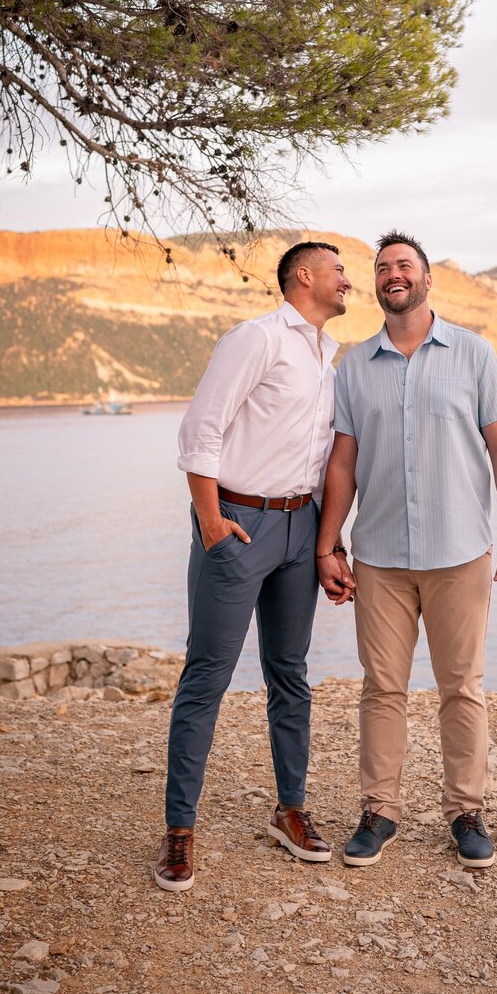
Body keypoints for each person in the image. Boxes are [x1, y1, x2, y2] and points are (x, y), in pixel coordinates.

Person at [316, 230, 497, 870]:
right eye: (383, 267)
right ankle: (379, 810)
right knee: (382, 687)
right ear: (377, 283)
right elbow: (342, 463)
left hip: (459, 552)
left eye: (404, 265)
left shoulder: (474, 354)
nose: (394, 274)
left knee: (461, 686)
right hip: (379, 556)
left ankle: (466, 810)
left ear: (427, 279)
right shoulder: (354, 366)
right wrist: (328, 545)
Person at [154, 241, 353, 891]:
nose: (348, 281)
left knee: (289, 673)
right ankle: (179, 830)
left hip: (302, 526)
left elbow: (324, 458)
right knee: (207, 675)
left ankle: (290, 810)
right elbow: (200, 430)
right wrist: (211, 522)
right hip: (240, 523)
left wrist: (328, 544)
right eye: (339, 270)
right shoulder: (257, 339)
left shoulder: (327, 357)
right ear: (304, 276)